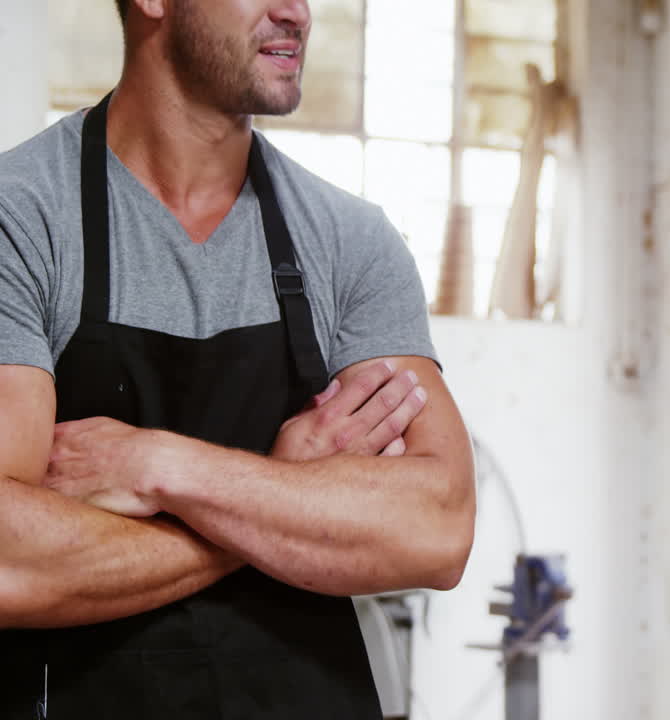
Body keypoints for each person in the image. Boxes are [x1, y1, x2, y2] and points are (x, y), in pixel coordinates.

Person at [0, 0, 475, 717]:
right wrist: (280, 493)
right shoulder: (23, 219)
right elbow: (10, 559)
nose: (297, 12)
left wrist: (161, 465)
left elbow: (436, 530)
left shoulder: (351, 241)